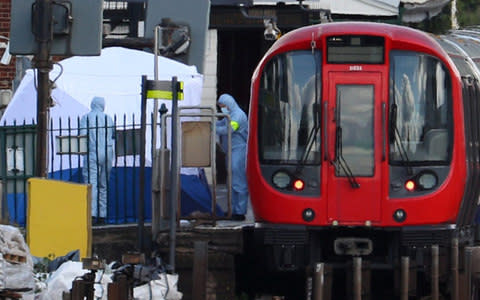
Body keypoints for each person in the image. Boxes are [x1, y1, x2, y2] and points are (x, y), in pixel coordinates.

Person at [80, 96, 115, 224]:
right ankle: (102, 214)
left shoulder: (86, 118)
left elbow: (82, 135)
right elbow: (112, 135)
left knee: (91, 184)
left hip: (92, 152)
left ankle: (92, 214)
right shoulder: (109, 118)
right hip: (107, 152)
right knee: (103, 185)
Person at [216, 94, 249, 221]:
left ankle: (240, 211)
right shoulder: (230, 114)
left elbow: (229, 129)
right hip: (231, 151)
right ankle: (234, 210)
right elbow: (221, 123)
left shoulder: (238, 115)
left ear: (228, 104)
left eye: (223, 106)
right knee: (232, 182)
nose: (222, 109)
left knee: (239, 182)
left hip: (239, 151)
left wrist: (213, 128)